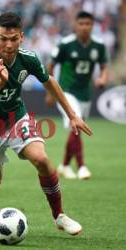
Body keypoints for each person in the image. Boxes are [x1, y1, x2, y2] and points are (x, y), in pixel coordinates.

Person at [0, 12, 92, 235]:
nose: (8, 44)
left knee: (42, 159)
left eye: (13, 39)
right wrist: (1, 81)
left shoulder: (28, 58)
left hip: (16, 117)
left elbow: (49, 80)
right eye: (3, 39)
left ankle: (59, 216)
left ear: (21, 37)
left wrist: (72, 114)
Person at [45, 11, 108, 180]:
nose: (85, 27)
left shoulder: (99, 46)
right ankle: (81, 167)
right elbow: (50, 66)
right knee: (77, 124)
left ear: (92, 25)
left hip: (85, 94)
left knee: (75, 130)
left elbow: (103, 66)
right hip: (65, 92)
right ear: (75, 25)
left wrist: (102, 78)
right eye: (81, 24)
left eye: (88, 24)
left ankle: (64, 165)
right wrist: (51, 92)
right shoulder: (65, 44)